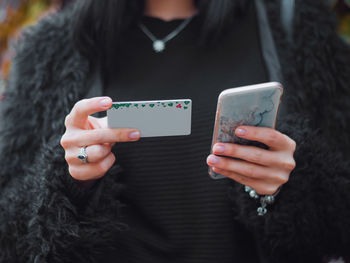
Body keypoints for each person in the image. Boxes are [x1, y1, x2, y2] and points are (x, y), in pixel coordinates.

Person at [0, 0, 349, 262]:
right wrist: (70, 183)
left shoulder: (293, 27)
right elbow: (10, 233)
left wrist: (294, 182)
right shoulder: (54, 48)